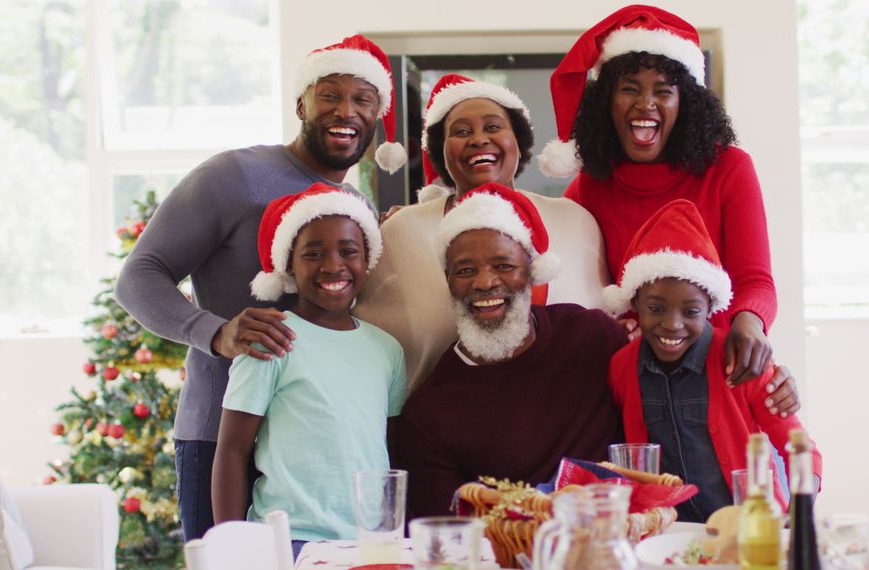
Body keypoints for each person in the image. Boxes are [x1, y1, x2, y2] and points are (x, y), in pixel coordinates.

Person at [114, 34, 404, 541]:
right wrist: (217, 332)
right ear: (301, 104)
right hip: (222, 436)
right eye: (330, 94)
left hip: (314, 456)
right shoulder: (236, 176)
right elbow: (138, 276)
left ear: (378, 112)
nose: (347, 110)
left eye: (363, 99)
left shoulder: (353, 205)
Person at [539, 5, 778, 387]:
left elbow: (756, 281)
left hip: (718, 371)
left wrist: (752, 322)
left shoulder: (730, 169)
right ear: (606, 103)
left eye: (663, 91)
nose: (646, 103)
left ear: (686, 105)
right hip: (629, 377)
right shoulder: (589, 186)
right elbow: (573, 293)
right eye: (629, 89)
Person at [355, 73, 610, 390]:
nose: (478, 139)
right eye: (461, 132)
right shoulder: (402, 231)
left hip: (573, 424)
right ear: (440, 150)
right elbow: (357, 333)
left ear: (517, 139)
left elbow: (609, 324)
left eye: (493, 127)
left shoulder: (575, 220)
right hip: (436, 427)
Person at [393, 182, 625, 519]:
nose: (485, 282)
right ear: (448, 280)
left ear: (532, 271)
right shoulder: (429, 415)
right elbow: (445, 542)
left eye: (503, 265)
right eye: (466, 270)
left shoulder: (593, 337)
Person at [212, 184, 405, 559]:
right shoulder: (271, 338)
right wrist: (234, 551)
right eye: (313, 254)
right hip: (290, 544)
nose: (333, 265)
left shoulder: (388, 349)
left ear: (368, 260)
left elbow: (390, 454)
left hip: (369, 544)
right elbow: (232, 451)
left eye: (348, 252)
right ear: (288, 265)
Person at [603, 199, 822, 522]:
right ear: (635, 302)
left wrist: (800, 508)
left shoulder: (741, 360)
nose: (672, 324)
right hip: (669, 534)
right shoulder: (622, 366)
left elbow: (799, 446)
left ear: (710, 307)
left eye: (690, 311)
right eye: (656, 308)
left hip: (750, 530)